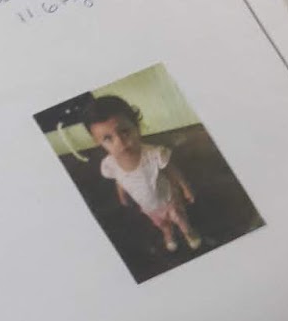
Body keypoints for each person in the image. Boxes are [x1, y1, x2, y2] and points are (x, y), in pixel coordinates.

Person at [83, 93, 202, 255]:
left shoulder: (154, 154)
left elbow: (171, 170)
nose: (120, 142)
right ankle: (168, 235)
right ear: (97, 142)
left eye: (125, 131)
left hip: (168, 200)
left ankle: (189, 233)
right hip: (148, 206)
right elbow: (120, 179)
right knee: (162, 225)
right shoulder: (110, 165)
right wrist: (122, 196)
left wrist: (185, 187)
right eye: (107, 138)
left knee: (181, 220)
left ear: (137, 127)